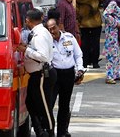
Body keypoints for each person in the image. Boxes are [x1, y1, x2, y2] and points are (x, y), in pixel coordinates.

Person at [16, 9, 55, 137]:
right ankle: (40, 131)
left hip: (42, 74)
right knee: (30, 103)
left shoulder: (40, 35)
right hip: (36, 75)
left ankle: (49, 132)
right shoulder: (37, 32)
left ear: (28, 20)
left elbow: (42, 56)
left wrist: (26, 50)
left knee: (44, 108)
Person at [46, 18, 84, 137]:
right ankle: (48, 130)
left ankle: (62, 131)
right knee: (50, 103)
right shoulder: (46, 41)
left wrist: (80, 69)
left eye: (54, 28)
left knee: (64, 104)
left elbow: (78, 55)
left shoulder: (69, 38)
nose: (52, 31)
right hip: (54, 74)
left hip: (68, 74)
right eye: (49, 29)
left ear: (59, 27)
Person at [76, 0, 103, 68]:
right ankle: (95, 62)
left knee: (85, 42)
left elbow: (77, 6)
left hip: (83, 21)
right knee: (95, 42)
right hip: (95, 20)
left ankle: (85, 61)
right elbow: (101, 2)